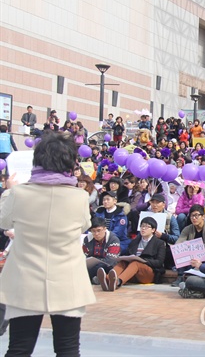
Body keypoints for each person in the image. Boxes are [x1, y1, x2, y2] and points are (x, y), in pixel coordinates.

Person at [0, 131, 94, 356]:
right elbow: (83, 226)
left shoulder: (20, 193)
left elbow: (3, 220)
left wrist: (8, 190)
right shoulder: (79, 197)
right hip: (67, 281)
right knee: (68, 348)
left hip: (25, 280)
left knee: (19, 348)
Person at [100, 216, 166, 291]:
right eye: (142, 226)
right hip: (133, 273)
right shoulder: (135, 241)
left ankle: (118, 282)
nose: (143, 228)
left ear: (153, 230)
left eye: (147, 227)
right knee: (123, 262)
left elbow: (159, 262)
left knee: (136, 263)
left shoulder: (159, 243)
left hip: (148, 273)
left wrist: (143, 261)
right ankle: (107, 279)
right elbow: (128, 254)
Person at [82, 217, 121, 284]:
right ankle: (95, 279)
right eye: (93, 231)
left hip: (108, 266)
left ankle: (97, 278)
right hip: (91, 265)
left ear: (105, 229)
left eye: (99, 230)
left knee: (101, 267)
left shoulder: (113, 239)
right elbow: (84, 255)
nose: (96, 234)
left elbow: (111, 260)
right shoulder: (87, 239)